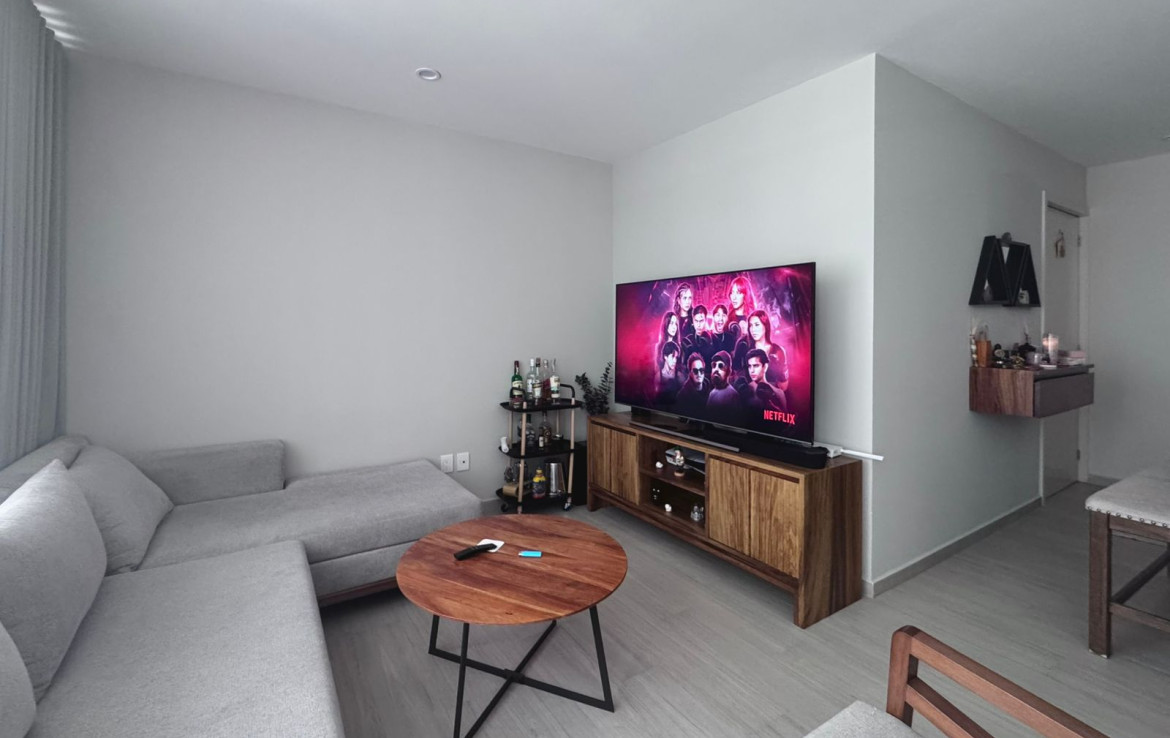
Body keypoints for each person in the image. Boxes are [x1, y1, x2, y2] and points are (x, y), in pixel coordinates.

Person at [734, 310, 789, 390]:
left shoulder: (778, 351)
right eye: (751, 325)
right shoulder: (743, 345)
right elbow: (736, 373)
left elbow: (783, 385)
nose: (753, 329)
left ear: (765, 326)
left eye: (757, 325)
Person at [737, 348, 787, 415]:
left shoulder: (778, 393)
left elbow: (786, 419)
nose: (752, 370)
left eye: (756, 366)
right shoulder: (744, 390)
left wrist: (775, 409)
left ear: (765, 367)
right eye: (749, 366)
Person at [705, 350, 743, 425]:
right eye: (714, 365)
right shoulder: (712, 394)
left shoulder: (733, 395)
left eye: (720, 366)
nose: (716, 369)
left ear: (728, 371)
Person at [675, 352, 710, 417]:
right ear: (690, 373)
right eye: (695, 371)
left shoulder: (711, 389)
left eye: (701, 370)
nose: (699, 374)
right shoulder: (682, 396)